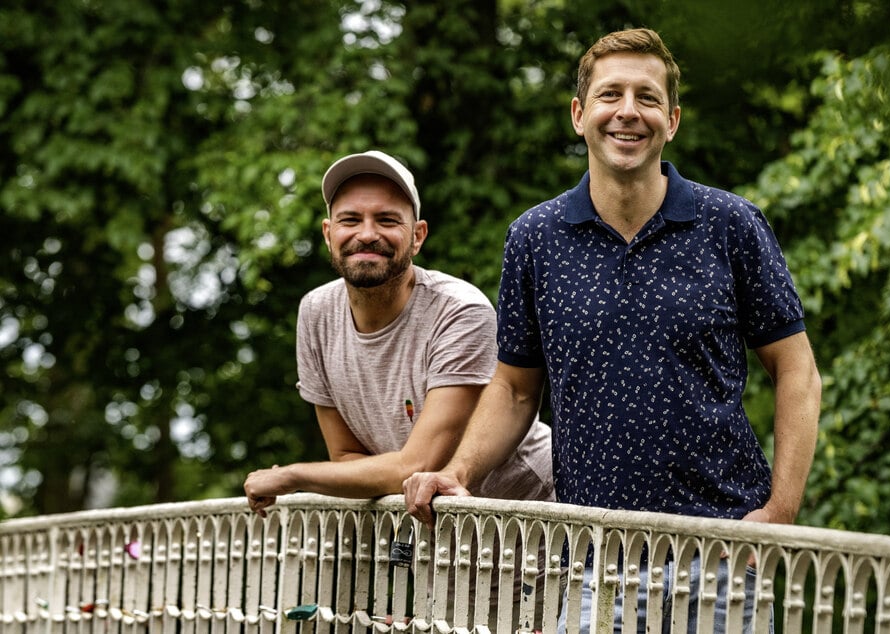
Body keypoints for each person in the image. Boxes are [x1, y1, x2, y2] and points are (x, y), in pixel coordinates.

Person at [403, 28, 822, 633]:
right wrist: (459, 473)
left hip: (722, 550)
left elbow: (797, 371)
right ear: (580, 114)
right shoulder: (534, 238)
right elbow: (517, 389)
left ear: (671, 121)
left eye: (647, 98)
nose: (628, 112)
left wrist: (779, 512)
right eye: (610, 95)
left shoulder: (731, 224)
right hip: (591, 556)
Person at [244, 150, 553, 517]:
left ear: (417, 236)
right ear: (329, 234)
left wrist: (291, 476)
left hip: (535, 517)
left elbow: (416, 465)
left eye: (387, 220)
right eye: (350, 219)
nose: (368, 233)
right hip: (443, 538)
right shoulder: (316, 313)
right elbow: (345, 457)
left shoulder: (459, 311)